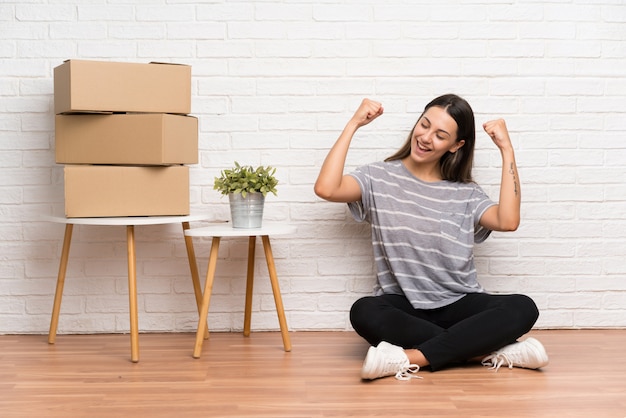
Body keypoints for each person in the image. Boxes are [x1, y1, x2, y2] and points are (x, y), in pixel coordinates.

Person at [314, 95, 548, 380]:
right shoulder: (378, 177)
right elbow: (326, 189)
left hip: (460, 303)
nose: (425, 138)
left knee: (522, 307)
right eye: (424, 125)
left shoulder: (466, 193)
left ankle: (409, 358)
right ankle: (489, 352)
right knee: (364, 311)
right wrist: (354, 124)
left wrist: (506, 150)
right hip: (403, 304)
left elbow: (508, 221)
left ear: (456, 145)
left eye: (440, 135)